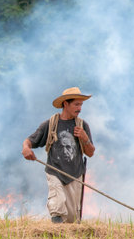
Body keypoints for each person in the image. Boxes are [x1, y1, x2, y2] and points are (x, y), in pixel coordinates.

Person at [22, 87, 95, 223]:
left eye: (81, 105)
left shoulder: (82, 125)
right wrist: (26, 148)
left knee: (72, 219)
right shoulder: (51, 124)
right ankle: (57, 234)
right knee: (58, 204)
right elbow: (29, 141)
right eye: (76, 104)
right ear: (65, 104)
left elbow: (90, 153)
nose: (79, 108)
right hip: (55, 172)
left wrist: (85, 138)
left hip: (75, 174)